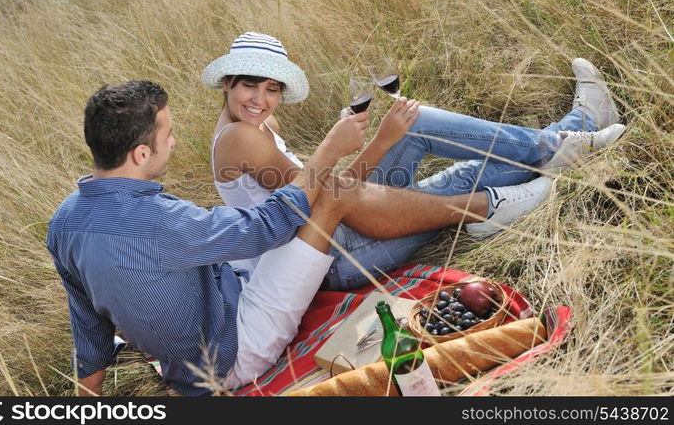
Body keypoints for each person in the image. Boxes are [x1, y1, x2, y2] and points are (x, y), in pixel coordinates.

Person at [47, 80, 551, 396]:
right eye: (167, 133)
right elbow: (266, 226)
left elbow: (86, 318)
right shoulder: (152, 219)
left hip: (228, 288)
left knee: (351, 192)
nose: (175, 141)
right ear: (139, 154)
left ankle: (528, 166)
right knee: (331, 198)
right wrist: (329, 149)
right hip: (234, 345)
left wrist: (83, 398)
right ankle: (488, 206)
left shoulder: (65, 222)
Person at [203, 32, 626, 291]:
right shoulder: (241, 137)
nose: (260, 99)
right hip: (338, 256)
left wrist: (361, 142)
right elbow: (326, 201)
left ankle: (561, 142)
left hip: (340, 225)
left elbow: (328, 192)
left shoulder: (252, 121)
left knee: (416, 122)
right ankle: (574, 132)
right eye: (249, 86)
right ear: (227, 82)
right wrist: (362, 145)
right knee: (447, 171)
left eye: (272, 88)